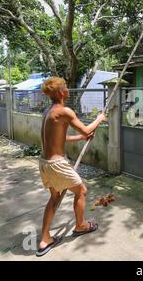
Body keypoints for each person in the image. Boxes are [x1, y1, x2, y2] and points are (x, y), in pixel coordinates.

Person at [36, 76, 107, 256]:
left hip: (44, 162)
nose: (68, 89)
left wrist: (81, 138)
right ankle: (80, 226)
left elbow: (60, 138)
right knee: (81, 191)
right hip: (56, 164)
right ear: (61, 92)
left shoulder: (48, 112)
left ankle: (45, 239)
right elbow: (86, 129)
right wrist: (99, 119)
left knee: (54, 198)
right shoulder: (65, 111)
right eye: (66, 87)